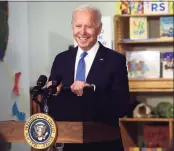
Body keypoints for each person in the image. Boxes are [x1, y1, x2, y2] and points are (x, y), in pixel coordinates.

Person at [48, 4, 130, 151]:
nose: (82, 32)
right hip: (68, 145)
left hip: (104, 145)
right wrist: (52, 95)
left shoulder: (115, 60)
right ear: (72, 27)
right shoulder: (61, 59)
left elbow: (122, 107)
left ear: (99, 28)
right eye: (78, 26)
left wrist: (92, 91)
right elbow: (48, 109)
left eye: (89, 26)